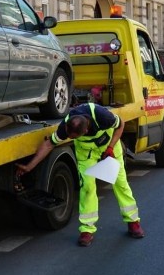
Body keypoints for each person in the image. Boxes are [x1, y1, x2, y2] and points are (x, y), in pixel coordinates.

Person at [16, 102, 144, 247]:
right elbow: (48, 144)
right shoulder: (66, 127)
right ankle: (87, 230)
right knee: (87, 188)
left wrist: (110, 148)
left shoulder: (102, 116)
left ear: (86, 129)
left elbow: (120, 125)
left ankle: (133, 222)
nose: (71, 137)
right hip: (85, 153)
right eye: (70, 136)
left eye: (75, 136)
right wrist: (29, 166)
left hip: (109, 147)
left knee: (121, 184)